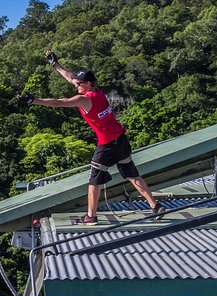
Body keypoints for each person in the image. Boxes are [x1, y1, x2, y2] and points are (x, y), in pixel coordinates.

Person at [17, 50, 165, 225]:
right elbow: (70, 77)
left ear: (87, 84)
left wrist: (34, 100)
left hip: (107, 144)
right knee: (132, 174)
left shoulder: (84, 99)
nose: (76, 84)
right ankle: (155, 206)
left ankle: (91, 217)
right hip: (121, 138)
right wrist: (55, 64)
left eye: (79, 83)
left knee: (94, 181)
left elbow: (60, 102)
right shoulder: (98, 91)